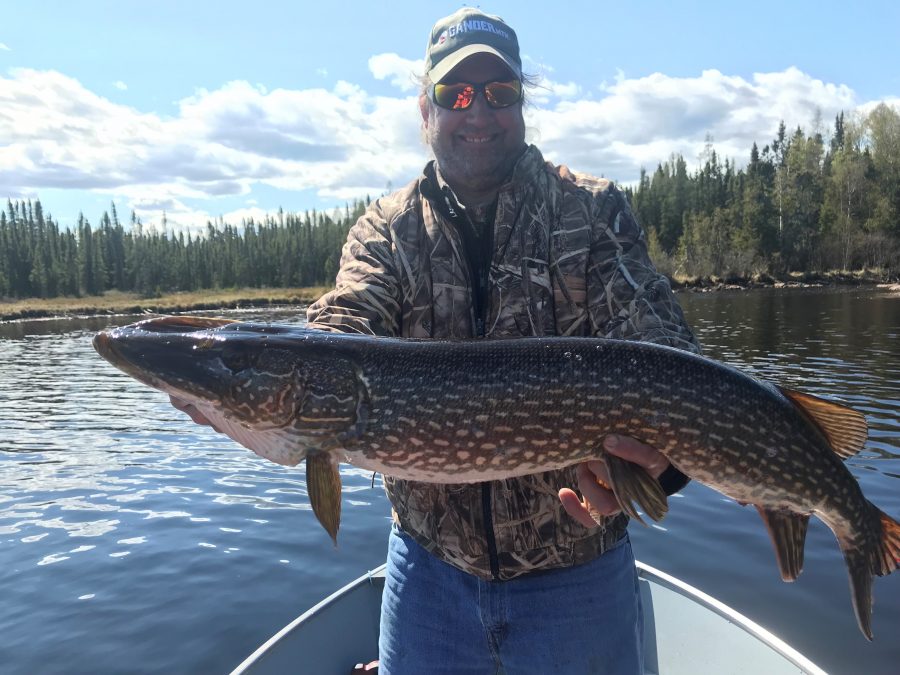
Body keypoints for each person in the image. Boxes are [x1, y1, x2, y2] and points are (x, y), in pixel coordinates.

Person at [174, 8, 700, 674]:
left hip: (578, 575)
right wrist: (244, 392)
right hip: (429, 576)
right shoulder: (386, 231)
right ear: (426, 110)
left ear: (522, 104)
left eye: (499, 93)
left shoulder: (592, 214)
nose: (477, 111)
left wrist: (662, 468)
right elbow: (343, 332)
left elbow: (670, 361)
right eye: (455, 94)